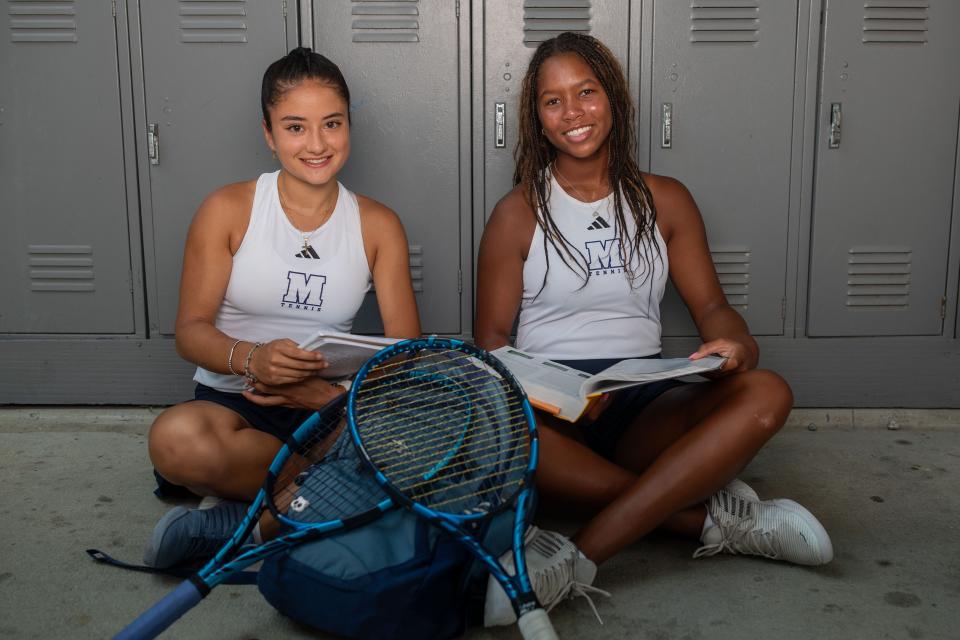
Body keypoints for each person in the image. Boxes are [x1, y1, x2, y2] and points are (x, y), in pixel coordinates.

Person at [475, 32, 833, 626]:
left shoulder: (665, 201)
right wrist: (555, 397)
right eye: (554, 101)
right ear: (538, 120)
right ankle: (709, 519)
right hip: (550, 411)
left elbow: (713, 308)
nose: (574, 113)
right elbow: (490, 342)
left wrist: (738, 344)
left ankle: (578, 555)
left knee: (768, 392)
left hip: (641, 397)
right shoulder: (518, 212)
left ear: (613, 99)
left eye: (586, 92)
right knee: (491, 427)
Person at [142, 47, 420, 568]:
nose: (317, 144)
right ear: (268, 134)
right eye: (295, 127)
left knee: (404, 437)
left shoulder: (379, 224)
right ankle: (319, 496)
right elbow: (190, 332)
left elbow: (402, 356)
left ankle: (246, 524)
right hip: (233, 407)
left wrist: (325, 396)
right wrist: (254, 358)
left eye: (332, 124)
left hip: (328, 408)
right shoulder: (228, 209)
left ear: (348, 126)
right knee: (176, 441)